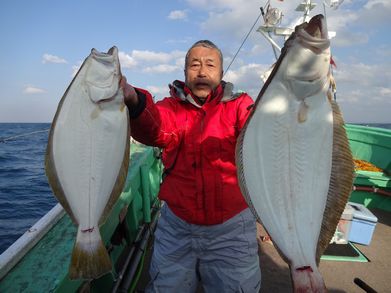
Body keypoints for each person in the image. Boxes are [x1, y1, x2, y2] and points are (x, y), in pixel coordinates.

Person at [120, 40, 261, 292]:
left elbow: (260, 132)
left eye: (210, 65)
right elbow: (155, 126)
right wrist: (134, 99)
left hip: (232, 230)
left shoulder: (240, 105)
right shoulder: (170, 107)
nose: (202, 72)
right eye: (194, 65)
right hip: (177, 226)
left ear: (221, 72)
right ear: (185, 72)